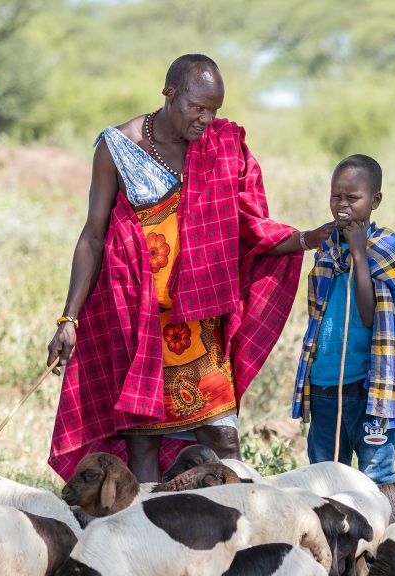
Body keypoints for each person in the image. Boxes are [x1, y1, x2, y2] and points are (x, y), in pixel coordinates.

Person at [46, 54, 333, 481]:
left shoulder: (222, 145)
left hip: (197, 325)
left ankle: (234, 528)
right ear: (169, 93)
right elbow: (93, 235)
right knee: (143, 441)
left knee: (222, 438)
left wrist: (307, 238)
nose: (206, 119)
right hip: (138, 322)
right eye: (197, 107)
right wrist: (68, 318)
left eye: (214, 109)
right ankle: (151, 534)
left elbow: (248, 227)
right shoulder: (118, 147)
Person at [291, 154, 395, 485]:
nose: (342, 205)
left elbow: (370, 315)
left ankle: (380, 537)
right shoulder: (327, 247)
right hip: (325, 385)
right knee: (325, 480)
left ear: (374, 200)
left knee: (377, 478)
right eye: (336, 196)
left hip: (370, 388)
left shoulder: (388, 247)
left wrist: (359, 253)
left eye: (353, 197)